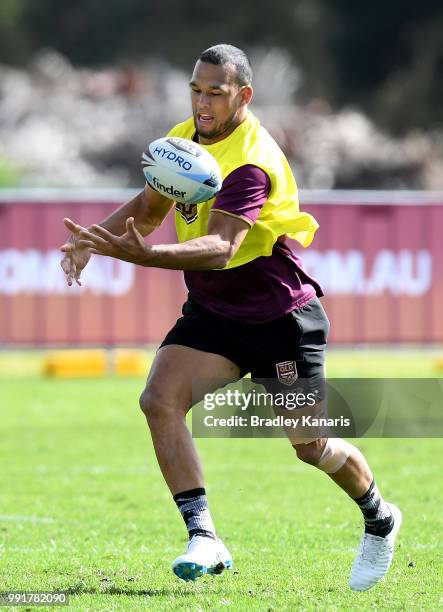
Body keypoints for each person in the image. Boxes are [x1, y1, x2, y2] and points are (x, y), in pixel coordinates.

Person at [60, 44, 401, 591]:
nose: (202, 102)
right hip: (214, 313)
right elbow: (149, 211)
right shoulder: (184, 141)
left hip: (279, 321)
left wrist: (144, 257)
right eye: (196, 89)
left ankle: (380, 518)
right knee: (158, 400)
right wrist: (94, 241)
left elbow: (221, 245)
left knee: (309, 445)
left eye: (215, 93)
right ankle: (204, 537)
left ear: (243, 96)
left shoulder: (251, 161)